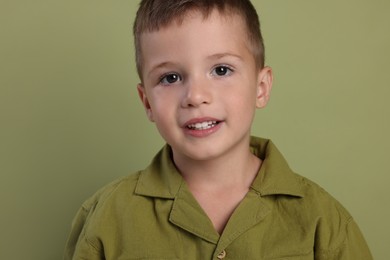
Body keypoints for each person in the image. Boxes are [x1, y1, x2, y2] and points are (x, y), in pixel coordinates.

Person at [64, 0, 373, 259]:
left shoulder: (324, 222)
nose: (196, 96)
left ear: (261, 88)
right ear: (147, 102)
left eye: (221, 70)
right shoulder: (107, 218)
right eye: (170, 78)